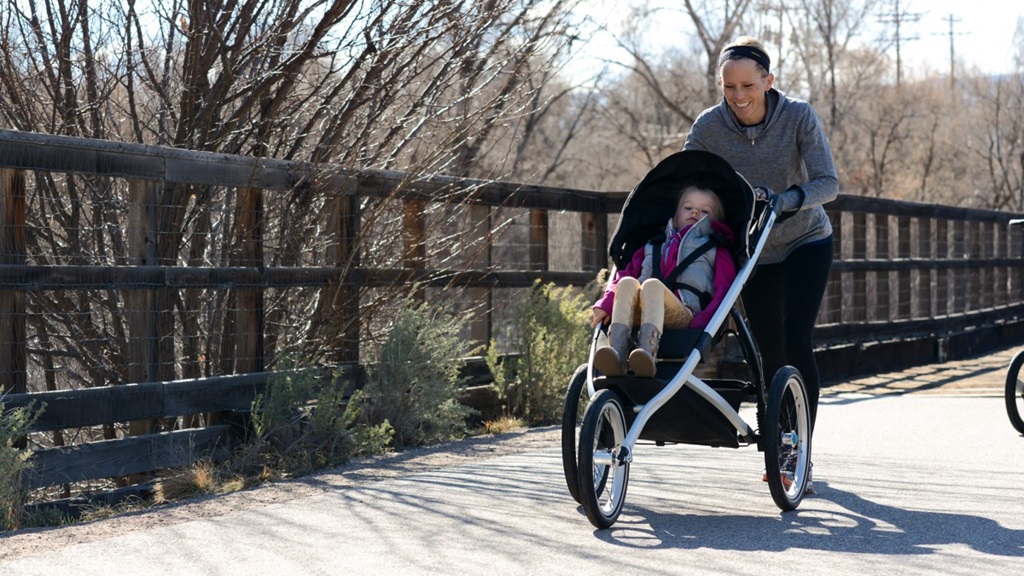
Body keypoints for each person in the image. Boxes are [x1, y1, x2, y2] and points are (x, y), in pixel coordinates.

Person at [683, 36, 838, 492]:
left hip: (805, 237)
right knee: (770, 350)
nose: (738, 95)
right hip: (754, 251)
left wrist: (790, 199)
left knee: (795, 339)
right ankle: (778, 446)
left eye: (748, 84)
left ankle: (799, 449)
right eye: (728, 86)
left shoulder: (798, 116)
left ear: (769, 81)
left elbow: (828, 182)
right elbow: (687, 178)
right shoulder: (709, 128)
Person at [590, 186, 736, 378]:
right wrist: (606, 304)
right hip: (640, 309)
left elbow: (724, 292)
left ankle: (646, 355)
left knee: (652, 285)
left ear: (715, 222)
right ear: (675, 217)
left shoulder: (716, 249)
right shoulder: (653, 244)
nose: (694, 212)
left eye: (705, 211)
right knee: (626, 282)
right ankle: (616, 352)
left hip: (684, 313)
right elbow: (624, 274)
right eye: (688, 207)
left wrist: (704, 324)